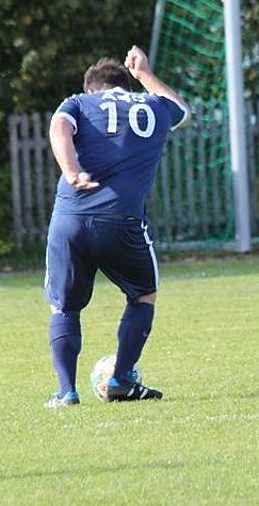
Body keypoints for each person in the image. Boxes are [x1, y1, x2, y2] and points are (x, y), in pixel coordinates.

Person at [43, 45, 190, 407]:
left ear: (91, 87)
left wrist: (71, 171)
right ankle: (121, 378)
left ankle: (66, 391)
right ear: (127, 85)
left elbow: (58, 127)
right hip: (121, 218)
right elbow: (183, 112)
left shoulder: (78, 102)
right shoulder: (153, 106)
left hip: (70, 217)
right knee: (142, 295)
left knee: (64, 307)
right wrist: (145, 74)